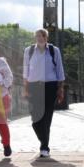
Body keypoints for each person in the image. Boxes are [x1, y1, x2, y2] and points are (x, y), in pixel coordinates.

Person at [23, 28, 66, 158]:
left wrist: (61, 88)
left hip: (50, 86)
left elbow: (59, 69)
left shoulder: (54, 51)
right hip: (34, 86)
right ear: (35, 38)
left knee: (46, 117)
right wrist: (25, 88)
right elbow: (25, 71)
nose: (40, 38)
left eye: (42, 36)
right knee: (35, 119)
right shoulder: (29, 51)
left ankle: (44, 147)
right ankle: (43, 140)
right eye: (37, 36)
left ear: (47, 38)